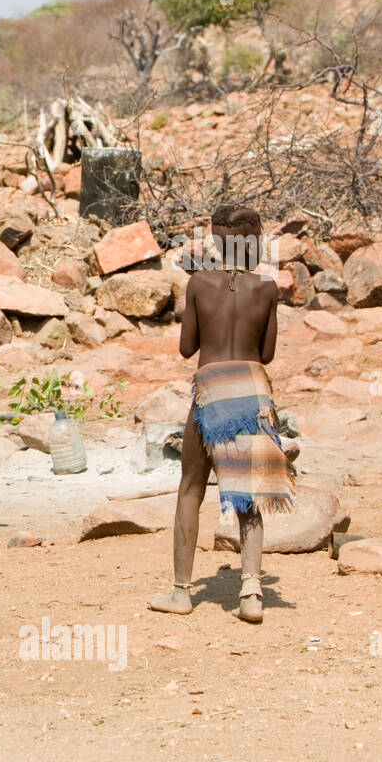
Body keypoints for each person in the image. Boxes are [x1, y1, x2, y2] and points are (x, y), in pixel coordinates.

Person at [148, 204, 294, 624]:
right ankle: (251, 594)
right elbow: (266, 353)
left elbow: (186, 348)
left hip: (211, 389)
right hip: (251, 388)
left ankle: (181, 592)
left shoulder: (198, 283)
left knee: (191, 487)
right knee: (248, 496)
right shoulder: (266, 288)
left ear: (215, 241)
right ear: (255, 242)